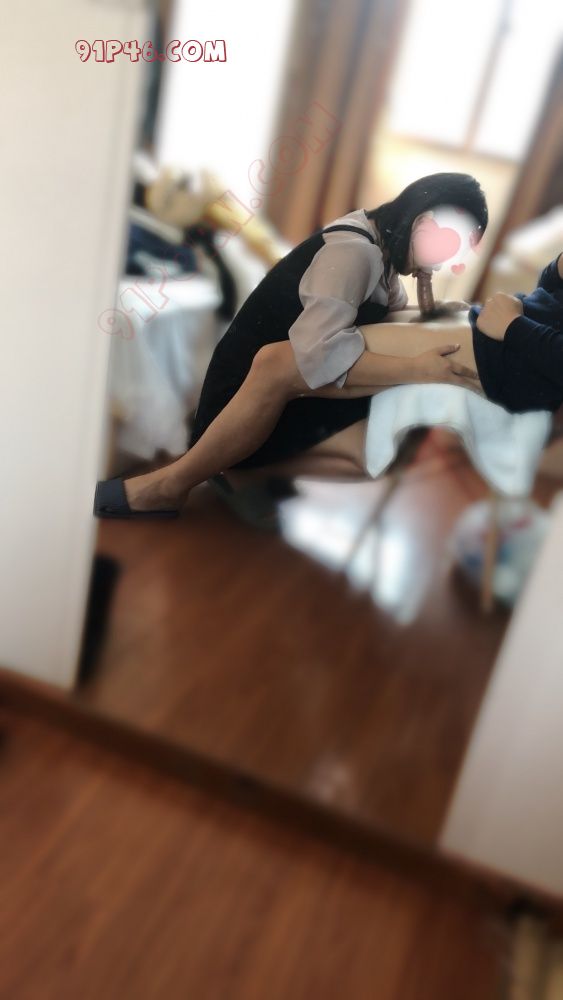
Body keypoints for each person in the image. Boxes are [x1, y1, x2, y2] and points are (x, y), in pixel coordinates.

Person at [94, 172, 489, 518]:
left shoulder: (382, 250)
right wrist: (417, 368)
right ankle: (178, 483)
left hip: (295, 383)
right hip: (246, 394)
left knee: (380, 450)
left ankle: (240, 474)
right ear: (422, 223)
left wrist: (430, 288)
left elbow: (390, 318)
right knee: (372, 445)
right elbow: (319, 353)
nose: (448, 262)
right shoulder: (354, 252)